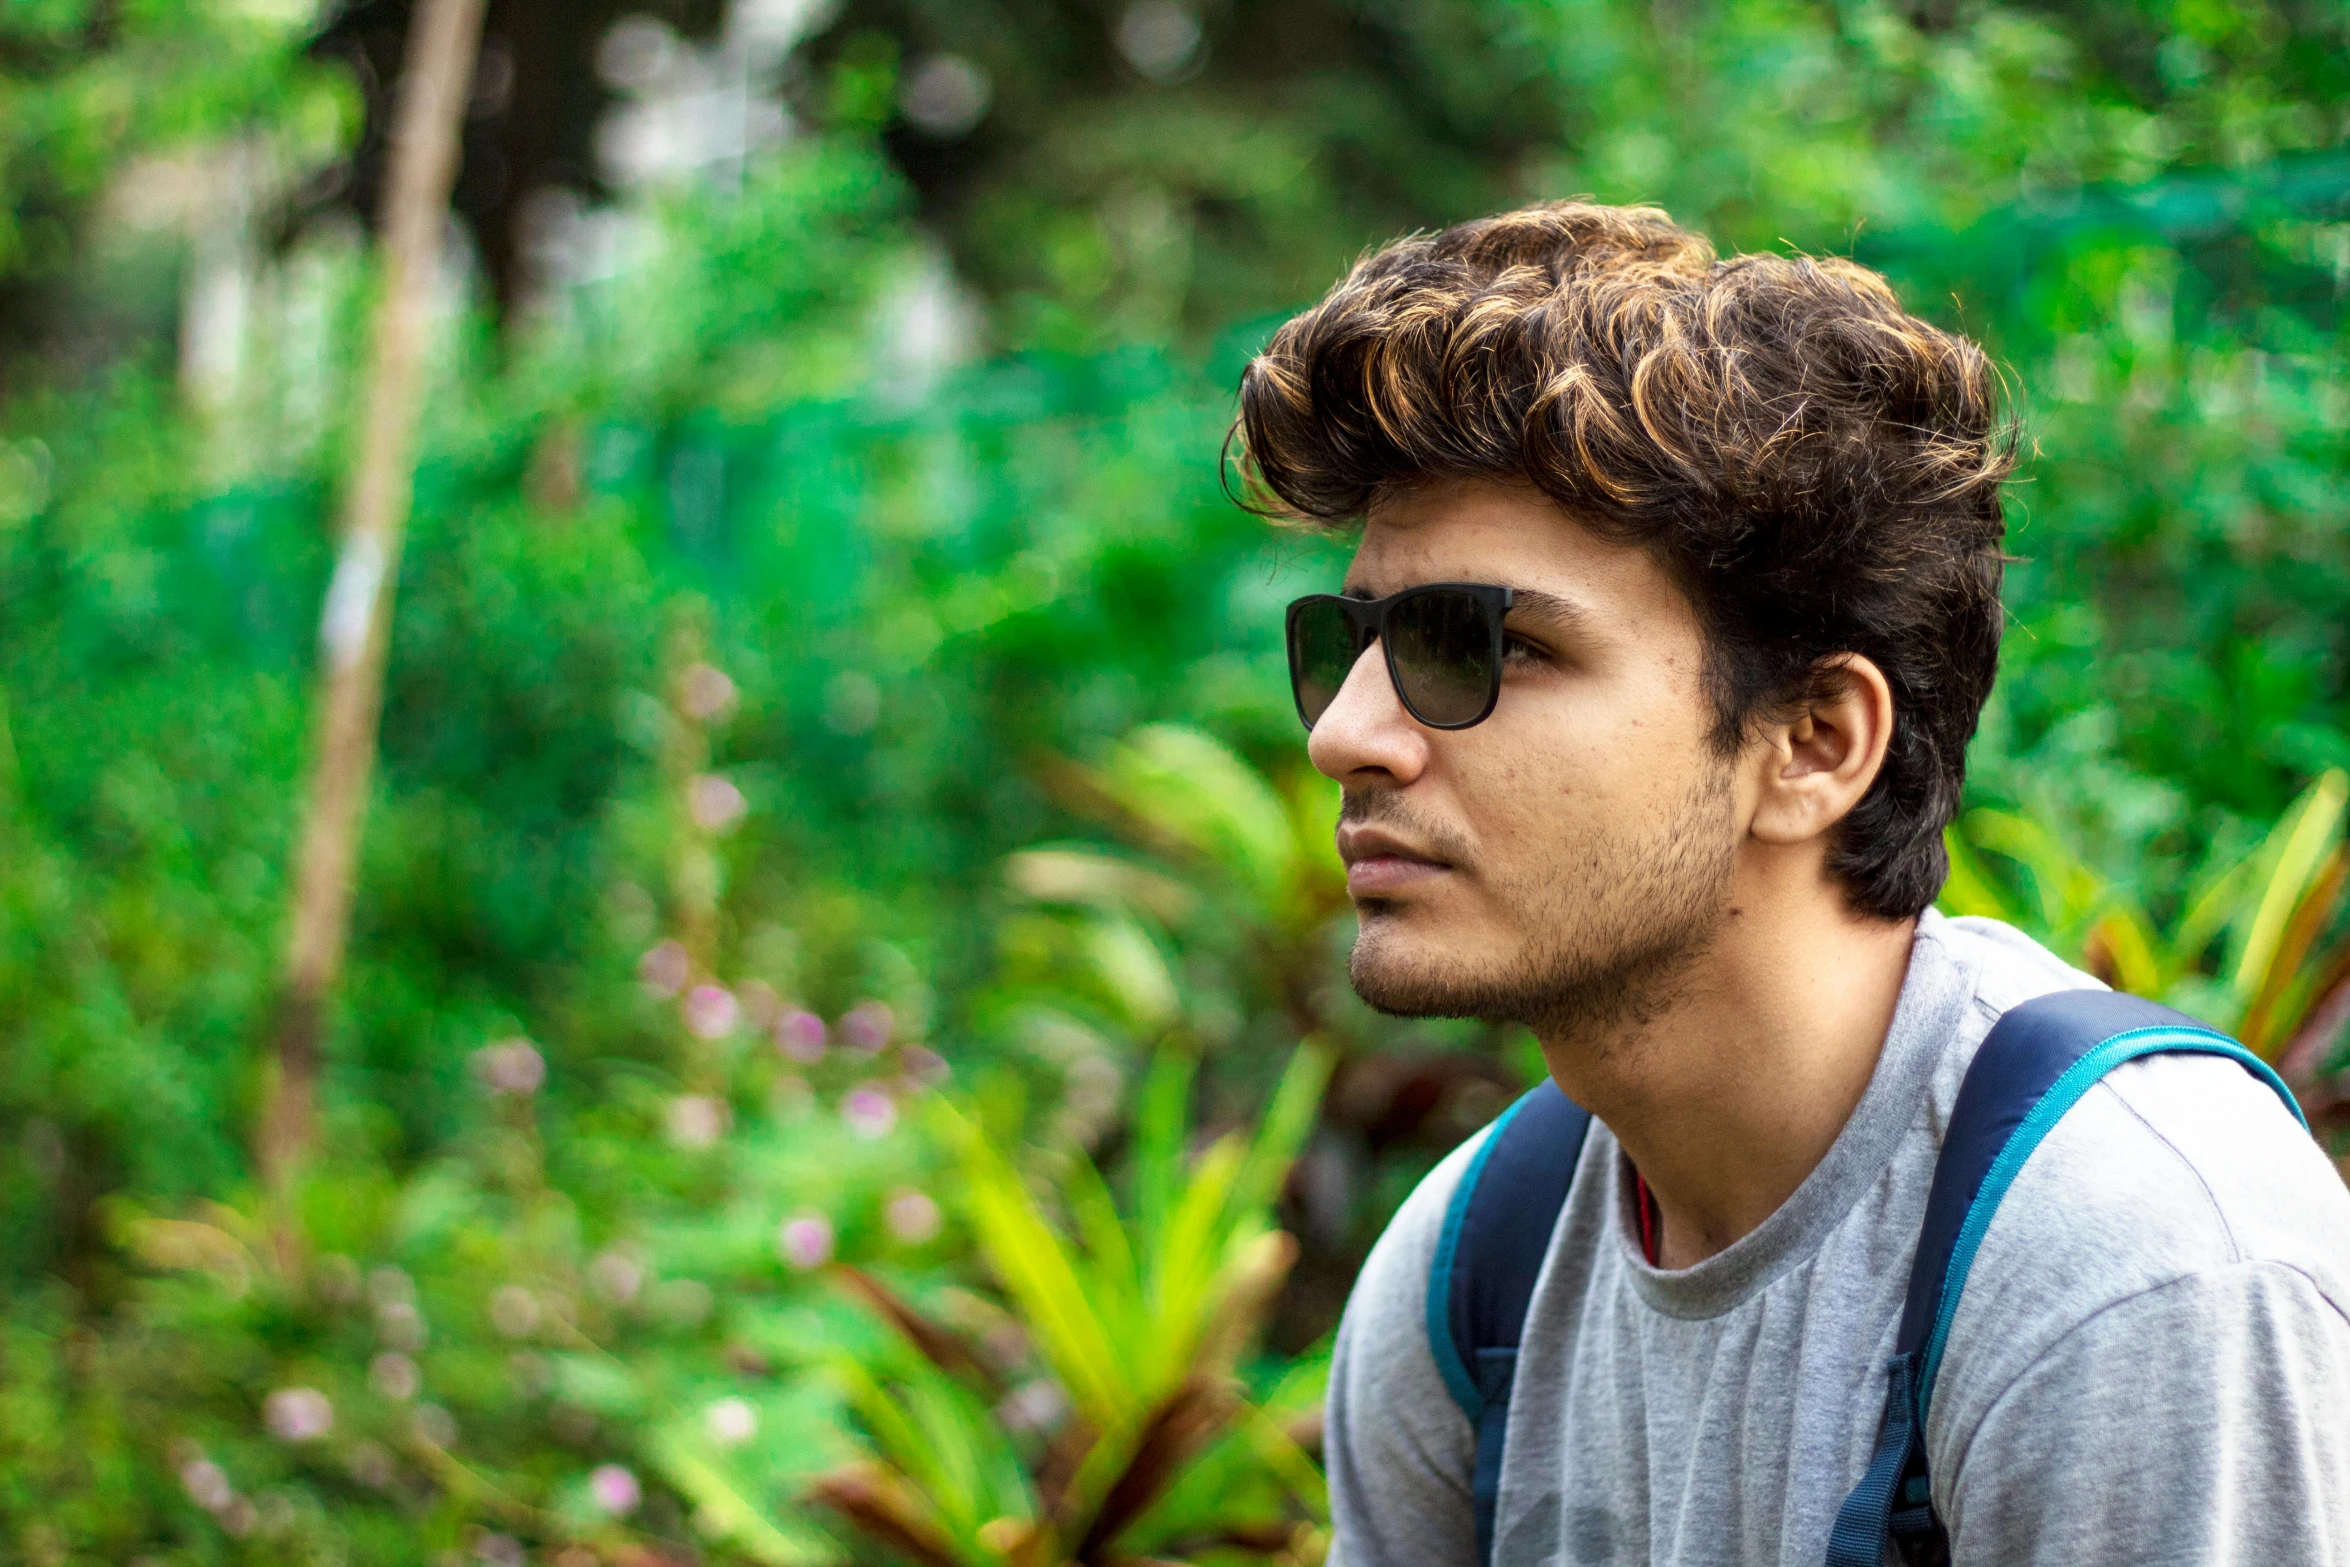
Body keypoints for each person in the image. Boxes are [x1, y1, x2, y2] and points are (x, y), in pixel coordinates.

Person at [1233, 201, 2350, 1566]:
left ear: (1814, 742)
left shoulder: (2129, 1263)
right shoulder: (1475, 1279)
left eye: (1478, 644)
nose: (1344, 731)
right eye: (1344, 640)